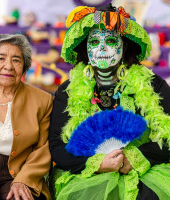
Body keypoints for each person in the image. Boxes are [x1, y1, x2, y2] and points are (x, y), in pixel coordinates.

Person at [49, 4, 170, 200]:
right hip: (88, 179)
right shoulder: (67, 91)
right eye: (95, 41)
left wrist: (137, 157)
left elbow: (168, 137)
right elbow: (57, 147)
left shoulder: (153, 85)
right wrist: (98, 164)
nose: (102, 48)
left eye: (111, 40)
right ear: (85, 48)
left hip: (148, 175)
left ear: (125, 46)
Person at [0, 34, 53, 200]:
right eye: (1, 58)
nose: (8, 66)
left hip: (21, 172)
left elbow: (44, 148)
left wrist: (24, 180)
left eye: (16, 60)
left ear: (24, 67)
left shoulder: (42, 100)